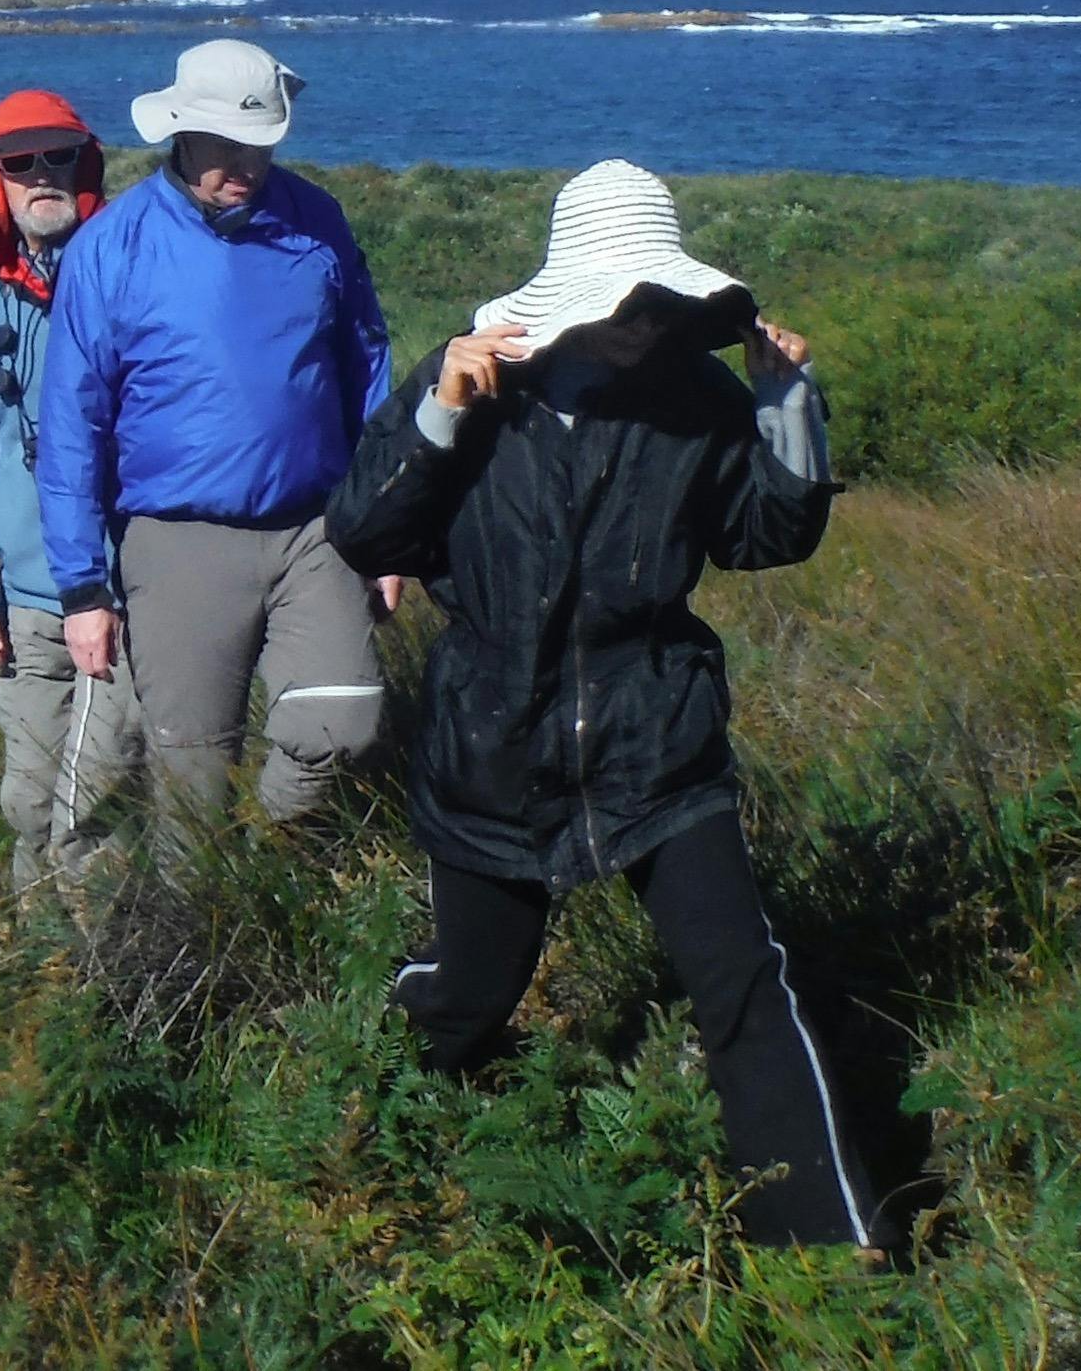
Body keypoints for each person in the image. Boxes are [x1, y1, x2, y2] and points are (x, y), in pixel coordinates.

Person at [326, 159, 884, 1257]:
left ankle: (830, 1251)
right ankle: (360, 1114)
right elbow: (367, 534)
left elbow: (767, 535)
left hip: (657, 736)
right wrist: (439, 419)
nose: (644, 325)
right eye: (631, 304)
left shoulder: (704, 400)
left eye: (658, 305)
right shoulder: (470, 386)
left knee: (741, 980)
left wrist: (787, 407)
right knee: (473, 990)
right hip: (493, 740)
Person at [37, 38, 400, 856]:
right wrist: (81, 589)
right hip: (176, 541)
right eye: (225, 144)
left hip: (316, 529)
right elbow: (72, 422)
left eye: (260, 144)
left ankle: (271, 852)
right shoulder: (112, 246)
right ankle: (200, 947)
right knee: (191, 789)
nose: (244, 163)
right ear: (180, 133)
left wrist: (387, 526)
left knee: (346, 720)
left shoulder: (319, 223)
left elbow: (366, 367)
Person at [0, 89, 141, 899]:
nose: (41, 175)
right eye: (19, 162)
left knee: (96, 809)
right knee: (27, 803)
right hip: (24, 601)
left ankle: (112, 981)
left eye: (59, 157)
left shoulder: (131, 276)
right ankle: (42, 966)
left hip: (124, 596)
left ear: (86, 167)